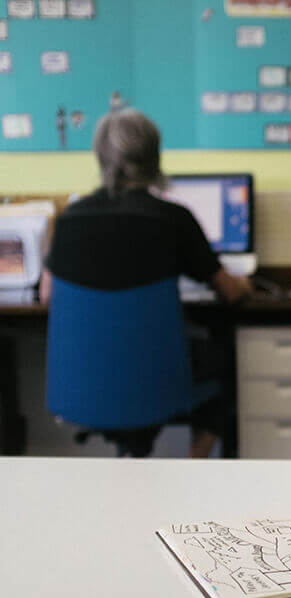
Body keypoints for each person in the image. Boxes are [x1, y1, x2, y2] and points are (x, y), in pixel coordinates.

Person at [42, 108, 252, 458]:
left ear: (100, 157)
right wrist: (246, 285)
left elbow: (48, 294)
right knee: (225, 366)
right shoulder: (173, 220)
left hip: (86, 385)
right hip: (156, 383)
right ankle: (195, 465)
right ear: (154, 157)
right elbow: (228, 291)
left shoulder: (69, 219)